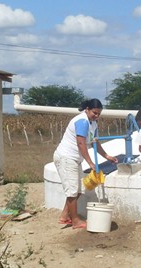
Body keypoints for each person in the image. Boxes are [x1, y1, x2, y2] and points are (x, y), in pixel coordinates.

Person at [53, 98, 118, 229]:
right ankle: (75, 221)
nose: (97, 116)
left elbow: (94, 142)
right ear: (87, 109)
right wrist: (90, 163)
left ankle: (65, 216)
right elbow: (81, 143)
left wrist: (106, 156)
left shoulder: (93, 123)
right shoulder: (82, 121)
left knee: (80, 189)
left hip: (75, 159)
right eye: (95, 112)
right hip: (66, 157)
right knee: (72, 190)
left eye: (99, 113)